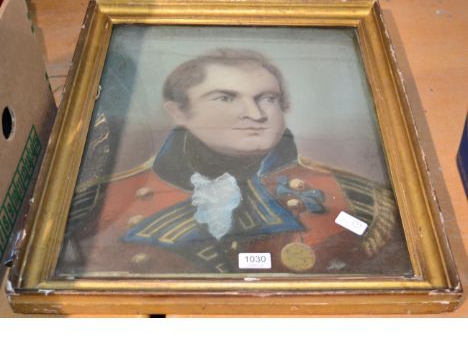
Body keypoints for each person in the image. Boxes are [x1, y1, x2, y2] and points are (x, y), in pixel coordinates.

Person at [57, 49, 412, 276]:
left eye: (267, 98)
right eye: (226, 98)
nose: (255, 114)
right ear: (179, 111)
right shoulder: (97, 205)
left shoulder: (358, 201)